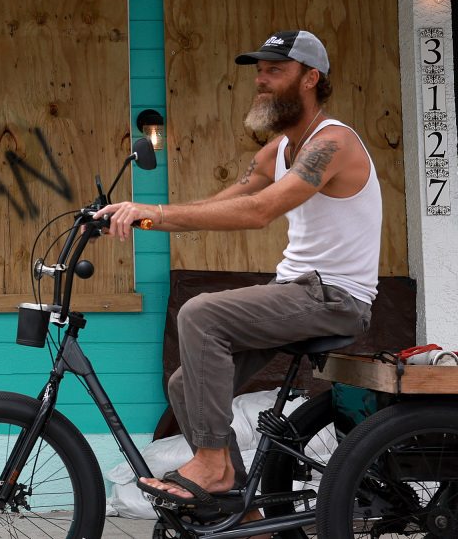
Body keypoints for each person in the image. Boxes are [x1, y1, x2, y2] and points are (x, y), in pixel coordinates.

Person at [95, 30, 382, 525]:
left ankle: (212, 467)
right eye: (259, 70)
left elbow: (258, 212)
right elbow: (228, 199)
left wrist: (157, 214)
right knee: (186, 383)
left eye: (275, 70)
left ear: (311, 78)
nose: (261, 80)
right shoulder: (280, 149)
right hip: (295, 291)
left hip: (337, 296)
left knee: (200, 313)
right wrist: (138, 216)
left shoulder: (332, 142)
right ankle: (243, 519)